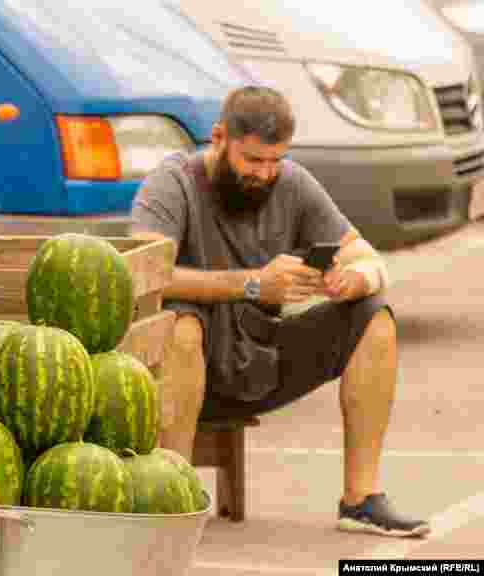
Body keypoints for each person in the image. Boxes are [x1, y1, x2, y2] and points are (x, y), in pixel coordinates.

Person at [130, 85, 430, 538]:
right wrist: (252, 283)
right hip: (182, 369)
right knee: (181, 324)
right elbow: (147, 275)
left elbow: (368, 258)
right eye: (253, 161)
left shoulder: (292, 182)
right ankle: (169, 498)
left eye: (275, 161)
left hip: (259, 360)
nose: (265, 174)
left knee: (374, 315)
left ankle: (360, 500)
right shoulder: (171, 183)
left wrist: (353, 278)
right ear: (218, 137)